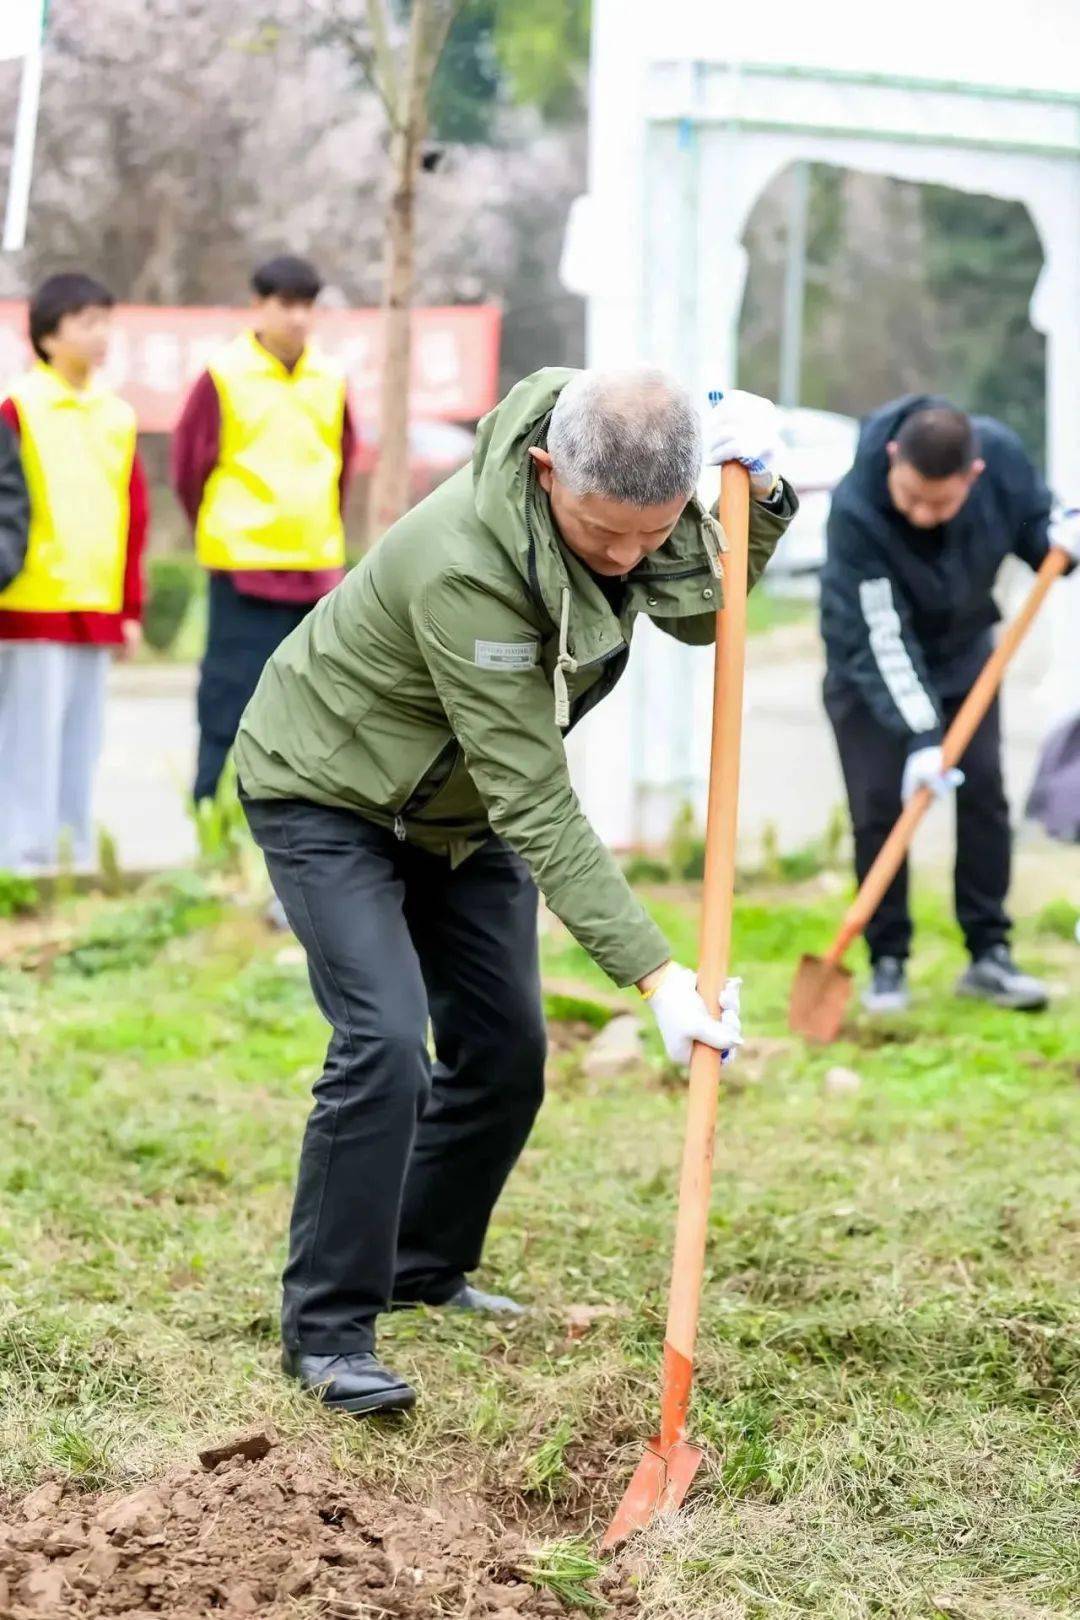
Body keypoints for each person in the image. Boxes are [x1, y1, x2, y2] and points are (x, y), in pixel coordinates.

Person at [234, 372, 797, 1416]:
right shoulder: (463, 563)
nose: (626, 557)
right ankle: (327, 1332)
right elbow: (534, 798)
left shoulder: (621, 490)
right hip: (331, 792)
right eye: (603, 534)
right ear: (547, 474)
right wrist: (656, 973)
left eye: (652, 532)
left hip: (457, 806)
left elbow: (700, 612)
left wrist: (754, 499)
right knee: (386, 1042)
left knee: (505, 1051)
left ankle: (421, 1265)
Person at [820, 395, 1080, 1014]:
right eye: (910, 497)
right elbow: (881, 635)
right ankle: (887, 961)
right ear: (891, 459)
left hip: (967, 660)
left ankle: (989, 954)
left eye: (940, 502)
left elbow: (1038, 535)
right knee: (881, 806)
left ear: (975, 476)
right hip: (868, 669)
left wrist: (1064, 538)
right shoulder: (856, 505)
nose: (921, 514)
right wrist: (920, 736)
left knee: (985, 795)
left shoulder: (1003, 461)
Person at [171, 254, 355, 805]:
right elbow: (188, 469)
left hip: (314, 570)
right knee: (229, 696)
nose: (296, 317)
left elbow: (342, 462)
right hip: (243, 568)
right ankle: (210, 811)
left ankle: (293, 817)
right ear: (257, 306)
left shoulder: (330, 377)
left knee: (312, 704)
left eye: (306, 305)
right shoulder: (223, 375)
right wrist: (223, 528)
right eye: (284, 304)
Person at [0, 273, 147, 873]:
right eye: (87, 323)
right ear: (48, 334)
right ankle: (20, 862)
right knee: (27, 743)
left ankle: (73, 856)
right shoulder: (19, 408)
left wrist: (130, 608)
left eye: (105, 322)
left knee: (81, 745)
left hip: (95, 603)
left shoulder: (116, 416)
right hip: (32, 601)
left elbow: (135, 514)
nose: (101, 336)